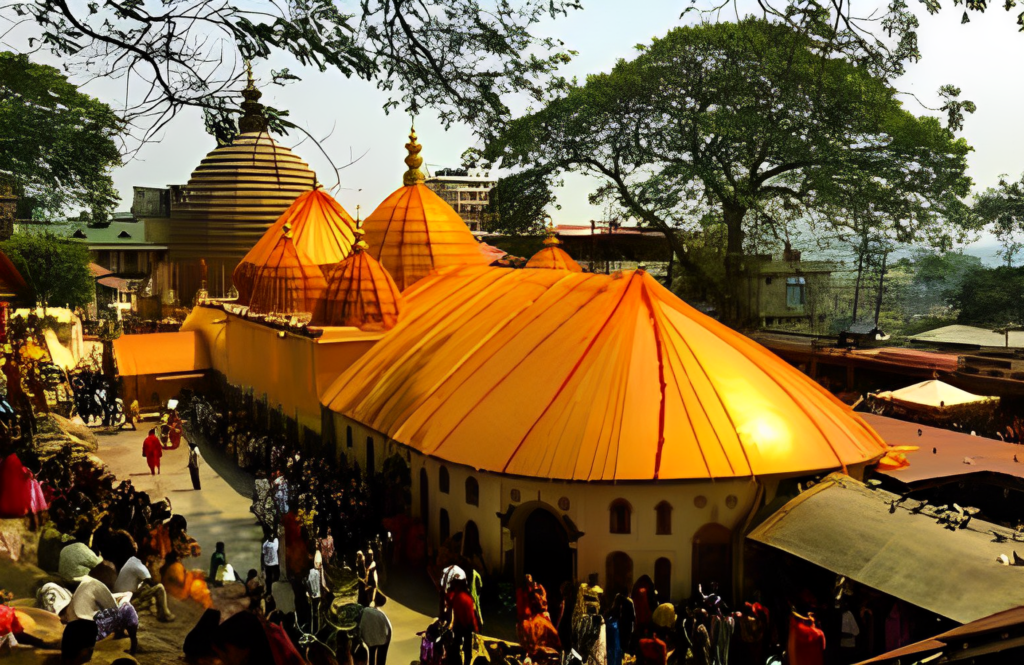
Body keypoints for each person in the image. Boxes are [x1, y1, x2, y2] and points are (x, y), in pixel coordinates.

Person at [114, 554, 175, 622]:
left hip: (121, 598)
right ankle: (163, 615)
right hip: (127, 602)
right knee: (160, 588)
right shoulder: (141, 567)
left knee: (146, 587)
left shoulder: (131, 561)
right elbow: (155, 583)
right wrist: (155, 568)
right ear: (149, 558)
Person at [447, 578, 479, 665]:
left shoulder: (458, 596)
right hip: (466, 625)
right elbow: (471, 613)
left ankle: (457, 660)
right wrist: (474, 625)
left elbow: (453, 607)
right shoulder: (467, 597)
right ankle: (466, 662)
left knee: (457, 644)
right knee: (467, 646)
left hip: (461, 624)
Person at [359, 601, 393, 665]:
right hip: (386, 631)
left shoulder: (363, 614)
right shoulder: (371, 611)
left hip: (373, 634)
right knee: (381, 657)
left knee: (372, 654)